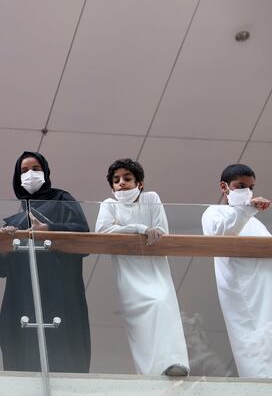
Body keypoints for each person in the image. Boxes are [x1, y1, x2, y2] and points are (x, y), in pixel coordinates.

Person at [0, 151, 91, 372]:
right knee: (23, 351)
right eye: (24, 170)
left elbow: (83, 236)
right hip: (23, 295)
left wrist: (49, 230)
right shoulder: (15, 220)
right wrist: (4, 246)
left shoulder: (62, 199)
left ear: (46, 172)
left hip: (60, 290)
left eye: (36, 169)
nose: (30, 174)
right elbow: (1, 270)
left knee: (63, 350)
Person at [94, 158, 189, 376]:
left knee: (162, 304)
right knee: (139, 320)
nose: (121, 184)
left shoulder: (151, 198)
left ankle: (174, 361)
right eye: (116, 180)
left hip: (154, 266)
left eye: (127, 178)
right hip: (128, 270)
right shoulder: (108, 205)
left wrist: (124, 228)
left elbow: (161, 230)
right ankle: (151, 371)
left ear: (140, 183)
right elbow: (102, 231)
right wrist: (140, 228)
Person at [201, 163, 272, 378]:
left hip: (266, 289)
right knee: (256, 347)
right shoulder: (213, 213)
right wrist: (249, 209)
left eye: (251, 187)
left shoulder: (256, 224)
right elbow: (224, 234)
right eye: (241, 186)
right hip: (244, 292)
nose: (248, 192)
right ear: (225, 187)